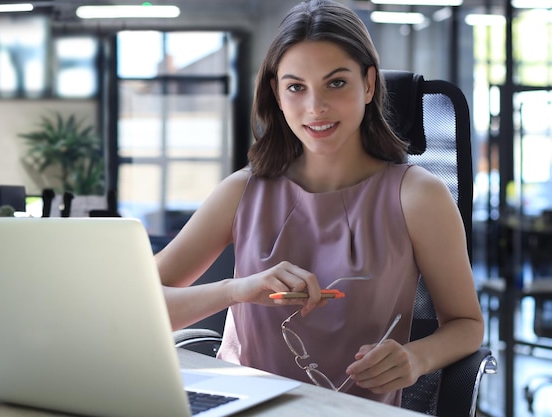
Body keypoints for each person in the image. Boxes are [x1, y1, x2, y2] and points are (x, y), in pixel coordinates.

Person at [156, 0, 484, 408]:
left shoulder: (418, 196)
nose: (315, 107)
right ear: (277, 93)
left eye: (336, 83)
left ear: (368, 84)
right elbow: (139, 301)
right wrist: (235, 290)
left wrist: (418, 358)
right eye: (296, 87)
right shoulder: (242, 191)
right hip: (242, 407)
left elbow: (467, 324)